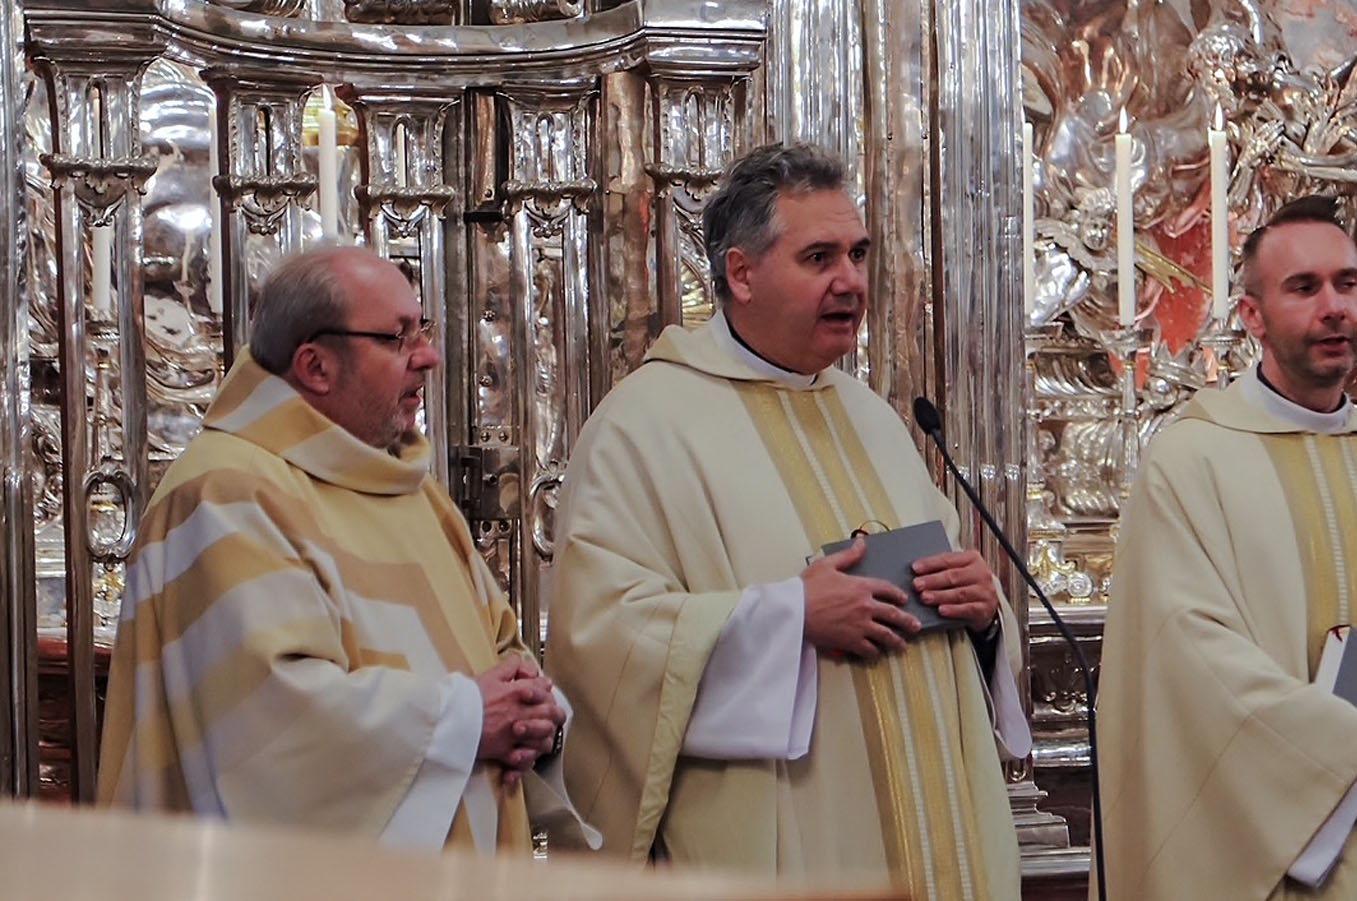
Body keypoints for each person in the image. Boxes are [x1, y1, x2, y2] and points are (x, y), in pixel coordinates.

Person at [543, 142, 1031, 898]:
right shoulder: (645, 425)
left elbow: (946, 586)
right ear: (741, 273)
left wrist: (982, 612)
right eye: (819, 257)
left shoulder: (872, 417)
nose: (852, 281)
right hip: (786, 842)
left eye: (859, 253)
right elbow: (603, 641)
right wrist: (786, 617)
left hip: (942, 840)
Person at [98, 246, 596, 855]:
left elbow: (500, 649)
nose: (429, 357)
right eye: (396, 338)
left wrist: (532, 711)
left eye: (423, 330)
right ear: (315, 366)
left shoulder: (413, 492)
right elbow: (274, 728)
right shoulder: (227, 494)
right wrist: (468, 719)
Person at [1096, 195, 1357, 899]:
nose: (1334, 306)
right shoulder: (1193, 462)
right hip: (1273, 865)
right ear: (1251, 316)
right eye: (1304, 288)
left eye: (1347, 282)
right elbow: (1193, 661)